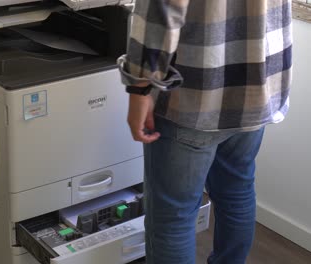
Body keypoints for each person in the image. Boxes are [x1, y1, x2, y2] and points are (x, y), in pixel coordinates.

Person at [118, 0, 292, 263]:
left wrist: (140, 85)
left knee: (174, 218)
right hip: (258, 86)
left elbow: (161, 9)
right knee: (236, 189)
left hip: (195, 94)